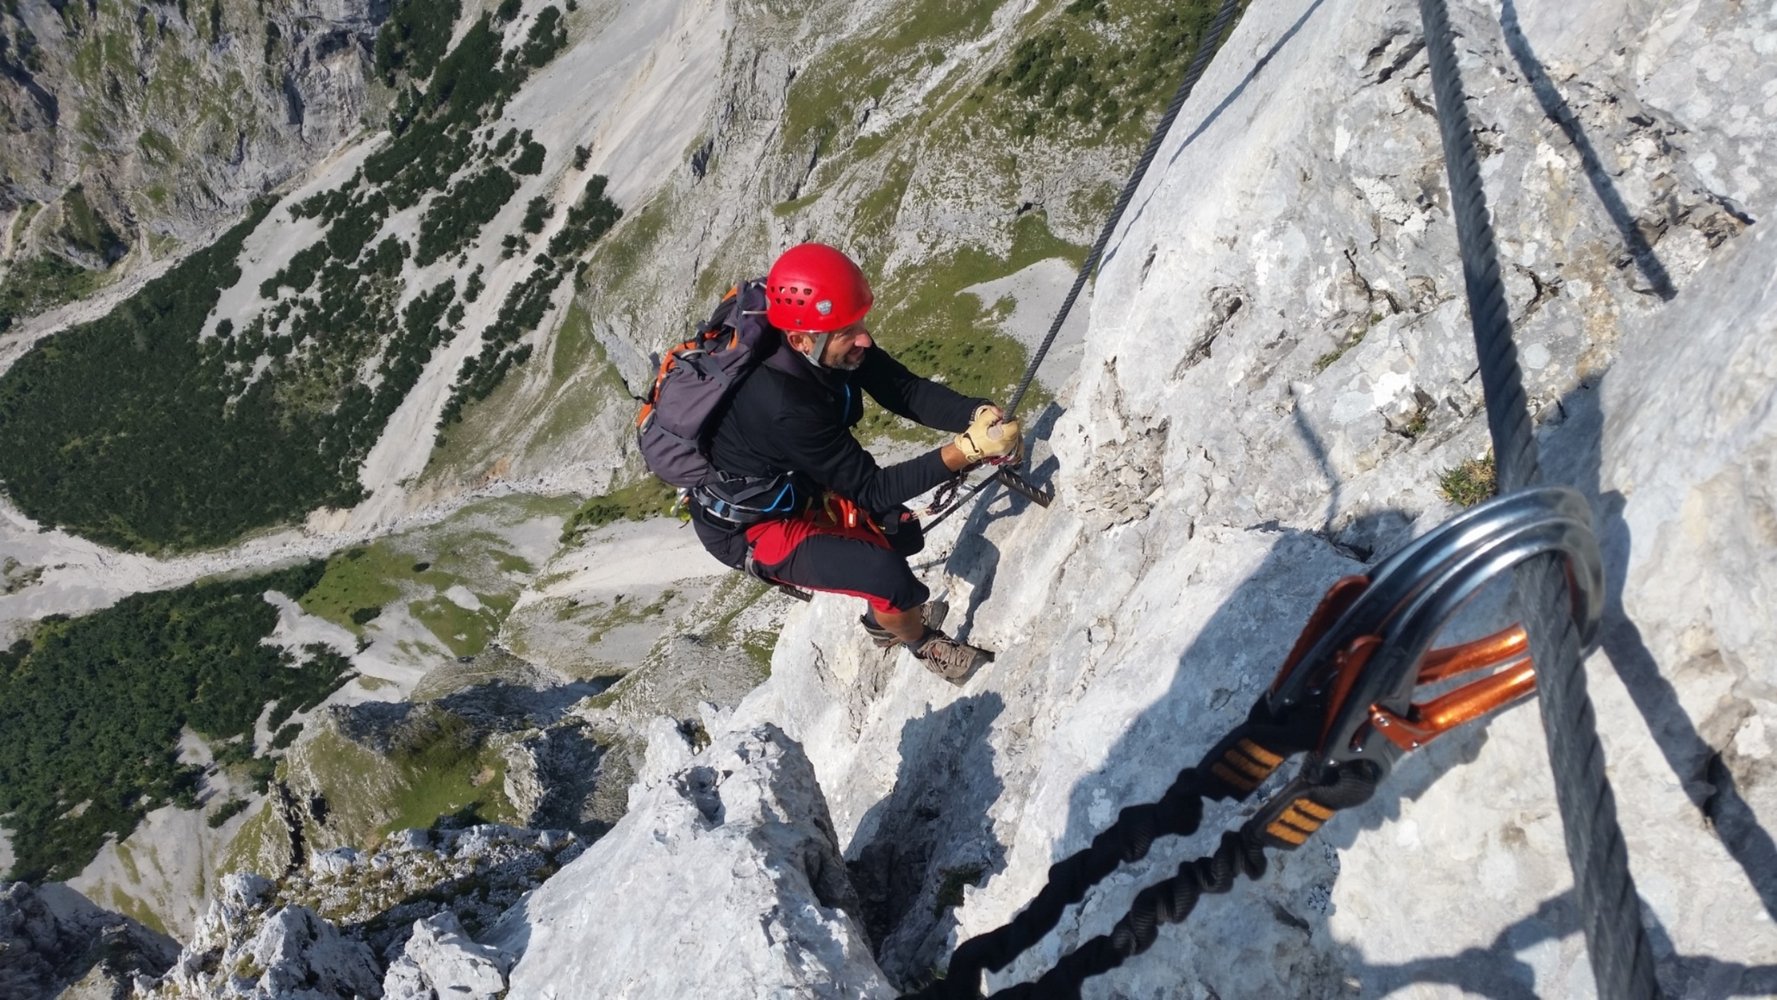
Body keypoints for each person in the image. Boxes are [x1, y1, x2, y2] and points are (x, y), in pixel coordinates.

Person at [686, 242, 1022, 680]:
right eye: (849, 331)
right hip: (750, 527)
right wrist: (966, 451)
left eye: (860, 323)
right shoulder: (782, 404)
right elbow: (870, 490)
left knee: (900, 530)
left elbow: (902, 389)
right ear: (801, 340)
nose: (863, 338)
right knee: (887, 575)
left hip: (796, 484)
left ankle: (882, 623)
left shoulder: (828, 344)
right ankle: (921, 642)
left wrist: (975, 413)